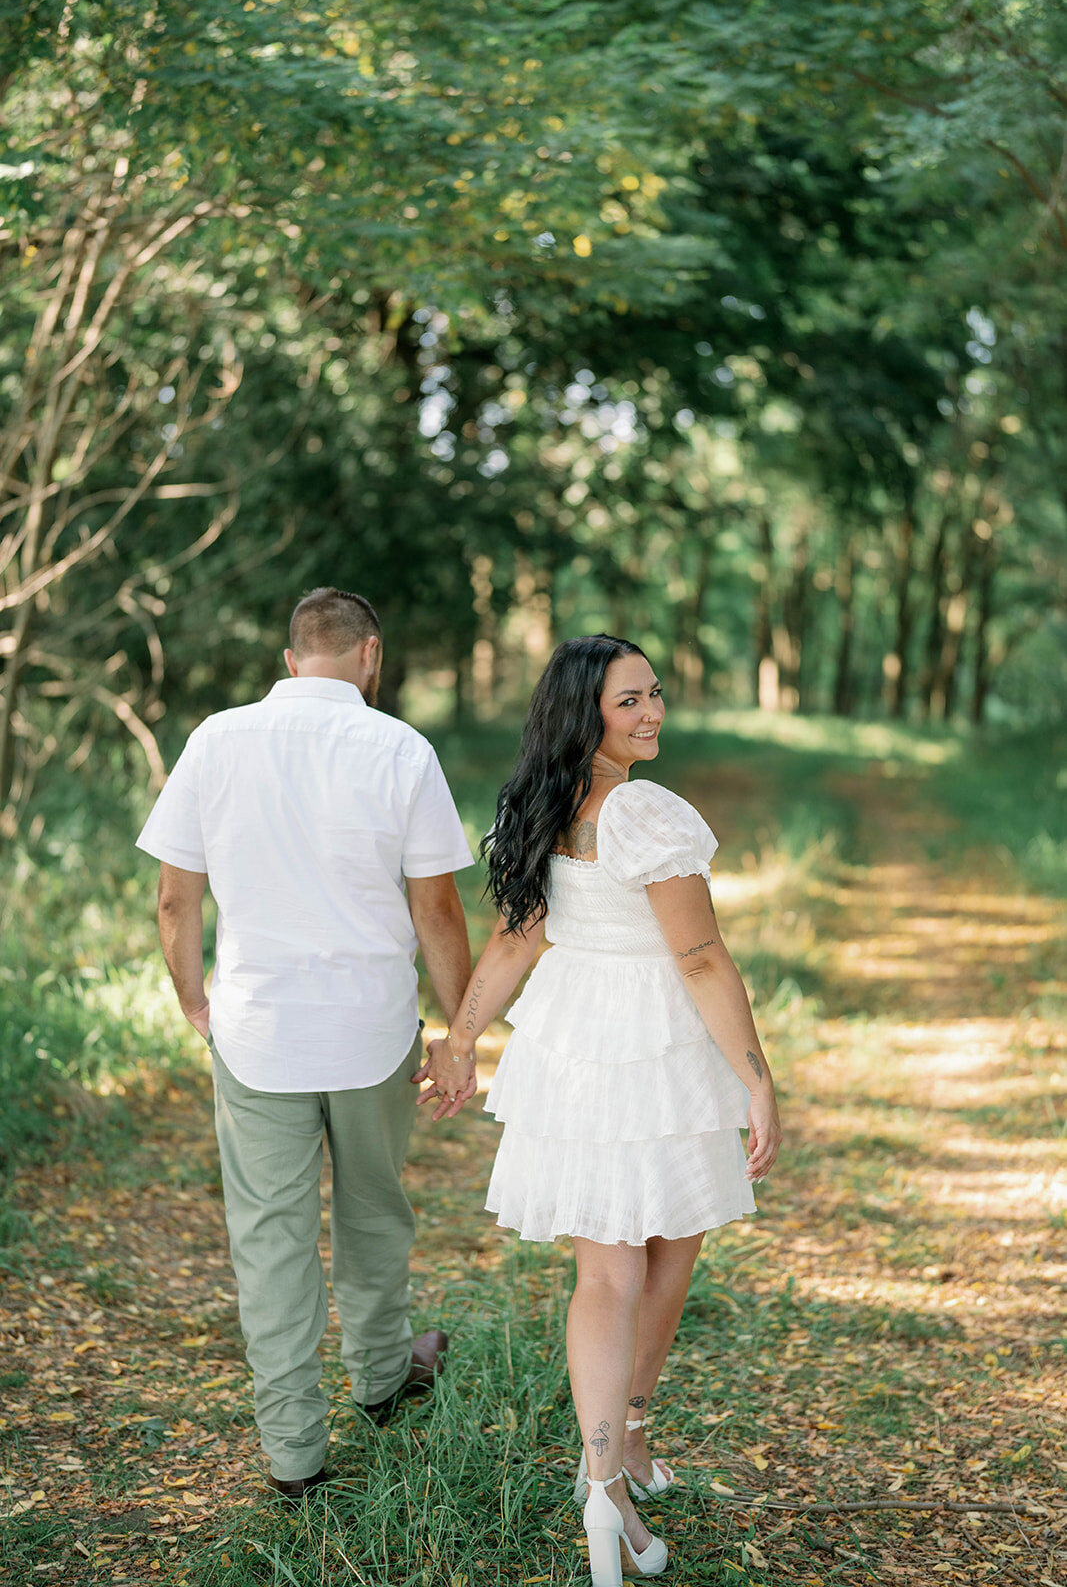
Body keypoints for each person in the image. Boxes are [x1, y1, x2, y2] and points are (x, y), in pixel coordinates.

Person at [419, 634, 782, 1587]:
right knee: (654, 1248)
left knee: (620, 1264)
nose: (652, 711)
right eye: (630, 701)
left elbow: (512, 940)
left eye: (655, 693)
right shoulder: (644, 812)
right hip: (647, 1041)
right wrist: (756, 1075)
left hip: (570, 1041)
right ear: (586, 713)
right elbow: (699, 959)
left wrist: (461, 1039)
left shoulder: (538, 803)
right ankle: (609, 1469)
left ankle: (612, 1464)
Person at [136, 587, 475, 1501]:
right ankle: (379, 1382)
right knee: (374, 1209)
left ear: (292, 661)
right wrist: (459, 1034)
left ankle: (294, 1457)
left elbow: (176, 899)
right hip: (369, 1029)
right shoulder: (401, 748)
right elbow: (436, 908)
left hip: (257, 1033)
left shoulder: (215, 740)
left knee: (270, 1240)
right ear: (369, 655)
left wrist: (194, 999)